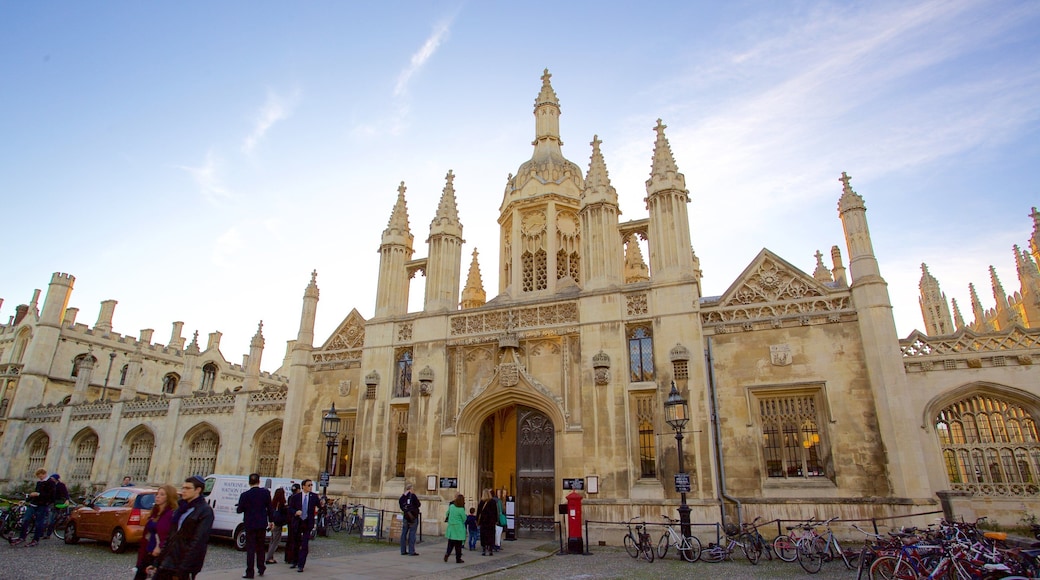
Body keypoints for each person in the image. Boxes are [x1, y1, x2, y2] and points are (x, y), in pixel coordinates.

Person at [155, 475, 214, 580]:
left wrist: (183, 568)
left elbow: (198, 542)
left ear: (198, 490)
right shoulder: (180, 508)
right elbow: (170, 537)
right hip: (168, 561)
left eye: (188, 488)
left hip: (184, 565)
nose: (184, 491)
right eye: (183, 488)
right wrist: (158, 562)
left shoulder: (205, 511)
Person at [135, 484, 178, 580]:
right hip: (147, 550)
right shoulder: (155, 512)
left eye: (162, 494)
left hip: (159, 555)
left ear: (169, 497)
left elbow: (168, 535)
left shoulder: (170, 514)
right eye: (157, 494)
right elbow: (147, 533)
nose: (158, 496)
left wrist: (160, 547)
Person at [236, 473, 273, 578]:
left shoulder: (245, 495)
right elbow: (270, 508)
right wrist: (271, 521)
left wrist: (240, 507)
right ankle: (261, 568)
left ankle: (250, 572)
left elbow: (239, 510)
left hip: (250, 524)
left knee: (250, 549)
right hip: (261, 524)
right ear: (259, 481)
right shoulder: (265, 493)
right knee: (260, 547)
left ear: (249, 482)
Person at [11, 468, 54, 547]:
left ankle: (35, 539)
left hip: (42, 505)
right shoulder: (39, 483)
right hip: (33, 504)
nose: (39, 478)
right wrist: (26, 500)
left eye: (40, 476)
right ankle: (22, 537)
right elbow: (34, 494)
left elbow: (51, 496)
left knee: (38, 523)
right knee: (25, 519)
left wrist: (39, 494)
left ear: (44, 474)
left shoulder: (50, 483)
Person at [286, 479, 319, 573]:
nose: (310, 487)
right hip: (298, 522)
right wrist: (295, 512)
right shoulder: (296, 497)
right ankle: (295, 561)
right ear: (303, 486)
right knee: (296, 543)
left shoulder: (314, 496)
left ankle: (301, 564)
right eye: (309, 485)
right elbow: (290, 508)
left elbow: (319, 506)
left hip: (307, 523)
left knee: (304, 544)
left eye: (311, 485)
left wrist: (322, 504)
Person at [264, 487, 288, 565]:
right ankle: (269, 557)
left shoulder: (273, 503)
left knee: (272, 540)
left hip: (273, 522)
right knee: (275, 541)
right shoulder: (282, 504)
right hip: (278, 523)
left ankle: (270, 557)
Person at [443, 493, 466, 564]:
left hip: (451, 527)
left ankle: (447, 553)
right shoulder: (461, 509)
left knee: (450, 543)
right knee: (458, 546)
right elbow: (464, 518)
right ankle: (458, 558)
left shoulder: (452, 506)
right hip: (458, 528)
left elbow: (447, 514)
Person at [398, 483, 421, 556]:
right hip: (413, 517)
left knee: (404, 533)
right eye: (413, 489)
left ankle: (403, 550)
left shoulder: (402, 496)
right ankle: (411, 551)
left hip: (406, 516)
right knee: (412, 533)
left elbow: (401, 505)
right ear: (410, 489)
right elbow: (418, 504)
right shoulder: (413, 496)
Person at [45, 473, 70, 539]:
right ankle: (44, 533)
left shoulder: (61, 485)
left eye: (53, 479)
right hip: (50, 502)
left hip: (57, 503)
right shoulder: (50, 484)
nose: (51, 480)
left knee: (51, 519)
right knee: (47, 518)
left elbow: (65, 493)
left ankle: (48, 534)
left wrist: (67, 499)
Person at [476, 489, 497, 556]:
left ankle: (484, 550)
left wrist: (477, 521)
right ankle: (490, 550)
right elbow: (495, 512)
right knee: (491, 535)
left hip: (483, 522)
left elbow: (478, 512)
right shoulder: (493, 502)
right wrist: (496, 520)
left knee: (484, 536)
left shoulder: (481, 502)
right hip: (491, 522)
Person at [284, 483, 301, 567]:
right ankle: (292, 558)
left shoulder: (290, 497)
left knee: (289, 539)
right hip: (294, 520)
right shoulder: (297, 498)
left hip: (289, 520)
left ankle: (287, 557)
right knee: (294, 540)